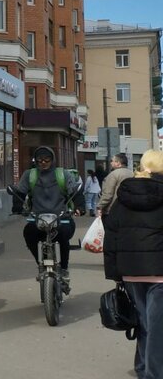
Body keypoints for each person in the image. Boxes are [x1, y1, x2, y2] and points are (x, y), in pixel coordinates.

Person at [103, 148, 163, 379]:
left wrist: (115, 273)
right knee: (157, 329)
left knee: (145, 325)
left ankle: (142, 368)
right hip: (159, 273)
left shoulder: (123, 198)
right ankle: (153, 374)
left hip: (130, 273)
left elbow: (112, 236)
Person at [12, 146, 84, 290]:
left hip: (61, 218)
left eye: (47, 160)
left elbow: (75, 191)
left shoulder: (63, 174)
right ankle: (41, 262)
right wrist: (17, 208)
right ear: (35, 161)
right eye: (39, 160)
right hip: (37, 219)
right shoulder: (29, 175)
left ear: (53, 160)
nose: (43, 163)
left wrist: (79, 207)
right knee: (29, 233)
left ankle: (63, 269)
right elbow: (19, 192)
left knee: (63, 236)